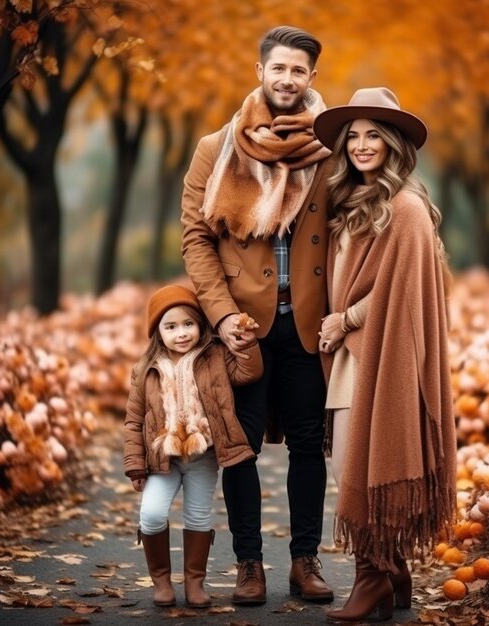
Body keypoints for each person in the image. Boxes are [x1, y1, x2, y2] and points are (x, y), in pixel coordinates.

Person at [180, 26, 334, 605]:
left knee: (306, 442)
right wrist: (219, 317)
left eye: (299, 70)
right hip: (241, 326)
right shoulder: (215, 148)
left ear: (312, 78)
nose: (288, 79)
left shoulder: (332, 149)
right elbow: (196, 238)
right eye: (279, 68)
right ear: (260, 70)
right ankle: (249, 564)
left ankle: (304, 560)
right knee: (238, 446)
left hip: (309, 324)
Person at [312, 87, 457, 622]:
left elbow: (404, 289)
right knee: (349, 465)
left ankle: (371, 576)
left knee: (359, 467)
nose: (363, 145)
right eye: (354, 136)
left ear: (394, 143)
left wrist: (344, 319)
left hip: (381, 353)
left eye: (375, 135)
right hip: (352, 357)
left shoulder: (407, 208)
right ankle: (393, 570)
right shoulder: (351, 203)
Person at [123, 284, 263, 607]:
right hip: (163, 459)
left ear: (200, 325)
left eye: (188, 323)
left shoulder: (214, 357)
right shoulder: (145, 370)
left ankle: (194, 582)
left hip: (203, 455)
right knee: (153, 514)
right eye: (170, 327)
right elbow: (132, 421)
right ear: (157, 332)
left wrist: (248, 344)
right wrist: (134, 463)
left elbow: (249, 372)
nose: (181, 333)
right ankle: (161, 581)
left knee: (198, 516)